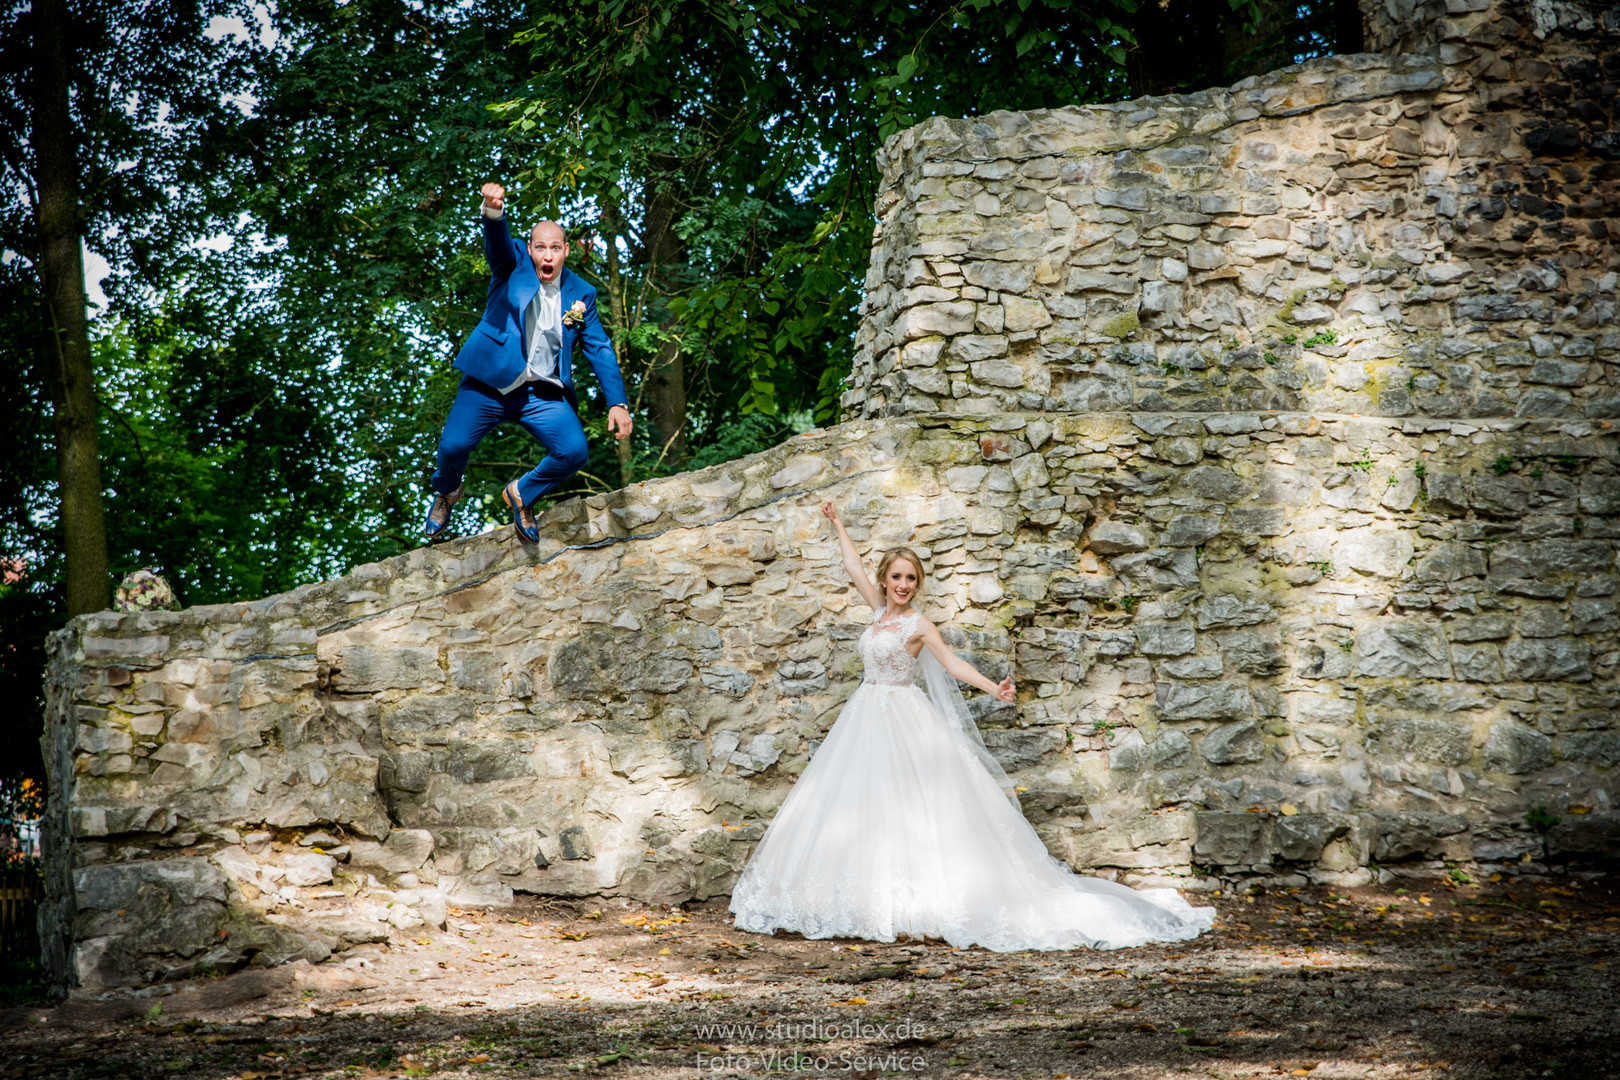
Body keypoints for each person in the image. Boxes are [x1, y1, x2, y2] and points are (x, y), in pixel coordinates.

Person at [728, 499, 1216, 952]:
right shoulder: (877, 611)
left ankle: (922, 900)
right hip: (864, 715)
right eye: (896, 577)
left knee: (918, 805)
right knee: (858, 803)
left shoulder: (918, 626)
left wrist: (992, 688)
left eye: (911, 579)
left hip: (903, 716)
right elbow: (853, 566)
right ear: (885, 580)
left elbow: (952, 664)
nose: (903, 585)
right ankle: (867, 899)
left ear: (918, 585)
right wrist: (838, 524)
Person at [423, 182, 633, 543]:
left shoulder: (583, 294)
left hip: (540, 393)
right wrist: (493, 210)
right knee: (452, 448)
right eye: (540, 247)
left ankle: (522, 493)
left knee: (574, 451)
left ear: (566, 251)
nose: (547, 256)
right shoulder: (513, 264)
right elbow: (498, 243)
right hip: (488, 384)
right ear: (530, 249)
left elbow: (599, 348)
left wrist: (618, 402)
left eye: (555, 248)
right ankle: (448, 491)